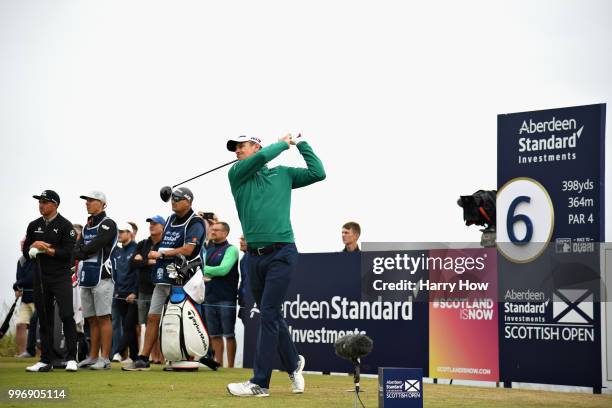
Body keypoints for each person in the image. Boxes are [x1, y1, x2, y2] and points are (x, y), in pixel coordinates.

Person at [225, 134, 326, 397]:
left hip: (282, 252)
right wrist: (283, 143)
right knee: (271, 314)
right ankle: (294, 363)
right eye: (234, 148)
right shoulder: (237, 174)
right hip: (254, 258)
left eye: (241, 147)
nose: (236, 152)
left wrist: (302, 144)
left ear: (256, 146)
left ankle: (260, 383)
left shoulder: (283, 174)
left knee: (269, 312)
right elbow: (260, 159)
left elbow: (319, 173)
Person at [123, 187, 206, 371]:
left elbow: (188, 249)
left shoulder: (196, 222)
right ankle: (143, 359)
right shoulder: (169, 219)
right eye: (173, 198)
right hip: (163, 276)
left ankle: (186, 357)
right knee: (153, 317)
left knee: (181, 318)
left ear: (189, 201)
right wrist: (161, 256)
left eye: (178, 198)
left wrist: (161, 254)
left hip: (183, 277)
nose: (174, 201)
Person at [23, 190, 78, 372]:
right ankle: (46, 359)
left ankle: (71, 358)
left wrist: (46, 250)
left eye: (45, 202)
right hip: (40, 277)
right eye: (40, 201)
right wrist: (32, 246)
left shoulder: (65, 226)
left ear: (55, 205)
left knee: (67, 315)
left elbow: (68, 255)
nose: (41, 205)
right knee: (44, 317)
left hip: (60, 277)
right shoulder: (33, 226)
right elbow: (25, 253)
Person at [73, 191, 117, 370]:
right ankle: (92, 356)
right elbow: (78, 247)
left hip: (103, 276)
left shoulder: (108, 223)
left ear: (102, 203)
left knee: (103, 317)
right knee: (91, 318)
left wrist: (81, 251)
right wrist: (80, 251)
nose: (87, 203)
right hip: (86, 276)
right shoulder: (86, 226)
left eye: (91, 200)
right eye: (86, 200)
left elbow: (95, 245)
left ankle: (105, 358)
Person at [203, 222, 239, 368]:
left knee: (229, 334)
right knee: (214, 334)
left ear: (225, 233)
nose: (213, 232)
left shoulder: (231, 249)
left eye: (217, 230)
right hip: (209, 296)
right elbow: (202, 267)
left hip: (226, 297)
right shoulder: (208, 249)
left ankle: (230, 366)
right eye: (212, 229)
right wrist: (209, 271)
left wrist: (203, 270)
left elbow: (223, 270)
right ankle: (218, 363)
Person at [110, 223, 139, 364]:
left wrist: (134, 292)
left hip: (132, 294)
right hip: (119, 294)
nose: (120, 234)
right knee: (129, 327)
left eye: (122, 232)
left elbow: (137, 273)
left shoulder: (137, 248)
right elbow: (116, 273)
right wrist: (116, 291)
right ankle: (134, 356)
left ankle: (118, 352)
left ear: (130, 233)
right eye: (118, 232)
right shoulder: (118, 252)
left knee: (128, 325)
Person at [14, 239, 36, 358]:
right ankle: (24, 353)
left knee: (36, 326)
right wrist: (18, 288)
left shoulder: (36, 257)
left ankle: (40, 354)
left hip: (37, 297)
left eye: (24, 244)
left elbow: (32, 278)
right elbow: (20, 278)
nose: (22, 245)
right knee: (20, 325)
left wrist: (17, 285)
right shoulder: (21, 260)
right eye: (21, 243)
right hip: (25, 299)